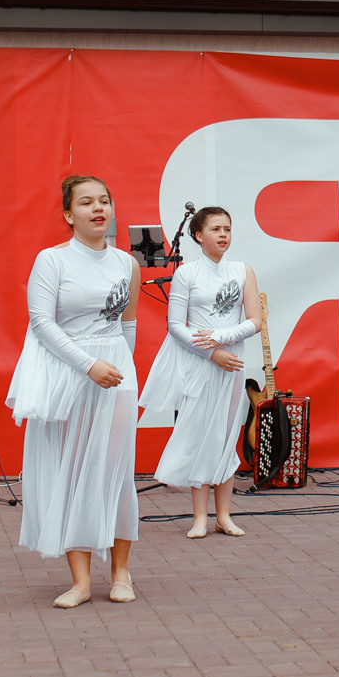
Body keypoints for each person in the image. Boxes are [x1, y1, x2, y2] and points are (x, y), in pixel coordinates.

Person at [8, 175, 140, 608]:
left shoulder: (126, 263)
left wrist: (121, 368)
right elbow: (41, 323)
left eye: (104, 200)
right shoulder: (52, 261)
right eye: (86, 202)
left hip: (116, 375)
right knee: (74, 470)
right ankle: (81, 581)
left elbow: (128, 325)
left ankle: (121, 571)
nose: (97, 208)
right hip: (71, 375)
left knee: (115, 472)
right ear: (68, 214)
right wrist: (89, 366)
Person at [139, 207, 263, 539]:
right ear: (198, 236)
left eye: (227, 228)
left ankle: (224, 515)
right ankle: (199, 518)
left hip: (233, 362)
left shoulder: (243, 271)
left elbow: (255, 320)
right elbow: (175, 325)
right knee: (199, 435)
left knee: (225, 435)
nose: (223, 234)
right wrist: (211, 352)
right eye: (216, 229)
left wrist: (223, 340)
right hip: (203, 361)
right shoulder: (187, 274)